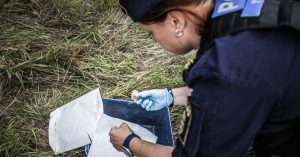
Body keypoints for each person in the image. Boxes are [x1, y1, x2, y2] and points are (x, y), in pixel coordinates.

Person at [109, 0, 300, 156]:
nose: (155, 41)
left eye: (151, 34)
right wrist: (172, 96)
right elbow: (236, 90)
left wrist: (130, 142)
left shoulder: (224, 66)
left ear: (176, 21)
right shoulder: (231, 12)